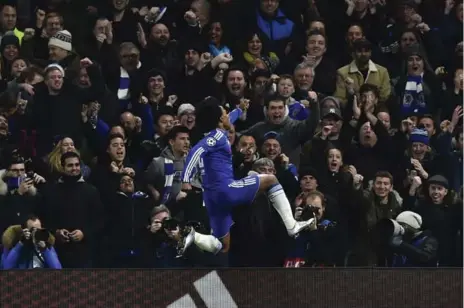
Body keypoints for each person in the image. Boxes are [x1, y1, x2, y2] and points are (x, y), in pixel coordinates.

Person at [180, 98, 316, 255]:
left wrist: (240, 109)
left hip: (212, 198)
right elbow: (195, 152)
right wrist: (185, 180)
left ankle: (193, 236)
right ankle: (292, 226)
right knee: (270, 179)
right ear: (219, 119)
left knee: (222, 246)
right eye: (224, 112)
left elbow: (228, 119)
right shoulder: (215, 137)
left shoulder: (214, 132)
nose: (227, 114)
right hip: (225, 190)